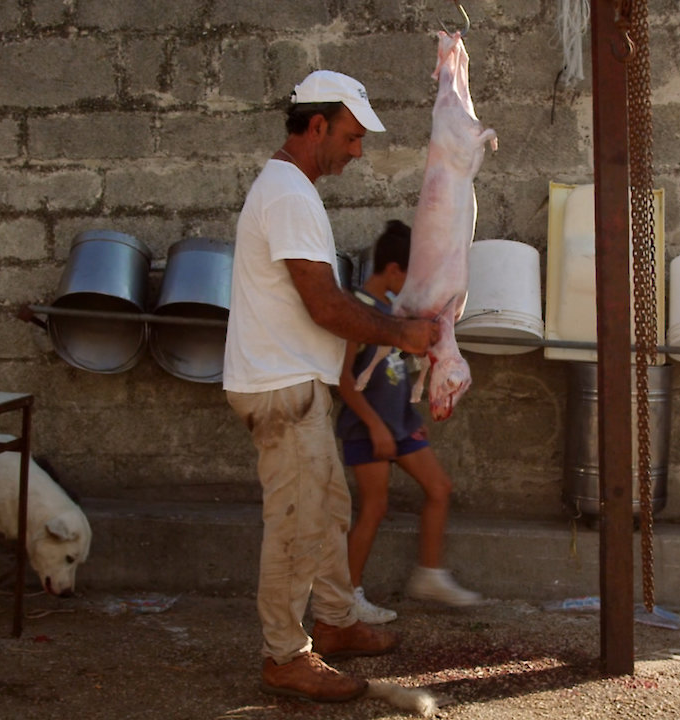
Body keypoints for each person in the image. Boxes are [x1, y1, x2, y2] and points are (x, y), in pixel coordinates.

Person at [222, 70, 440, 703]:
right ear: (316, 126)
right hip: (282, 385)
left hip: (298, 381)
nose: (357, 151)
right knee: (295, 525)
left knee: (328, 511)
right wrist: (404, 333)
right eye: (349, 137)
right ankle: (285, 657)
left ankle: (337, 622)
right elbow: (324, 304)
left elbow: (324, 301)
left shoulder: (294, 190)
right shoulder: (287, 194)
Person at [336, 220, 482, 624]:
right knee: (375, 507)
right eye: (412, 274)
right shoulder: (359, 310)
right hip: (368, 428)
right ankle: (348, 596)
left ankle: (429, 575)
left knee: (439, 487)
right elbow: (345, 381)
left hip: (402, 423)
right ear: (396, 270)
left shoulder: (397, 312)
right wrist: (375, 426)